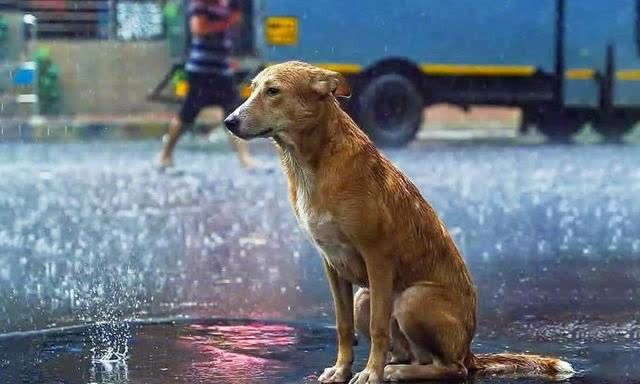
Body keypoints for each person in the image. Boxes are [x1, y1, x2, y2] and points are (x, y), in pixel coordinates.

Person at [158, 0, 254, 168]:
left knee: (233, 112)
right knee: (187, 114)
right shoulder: (200, 4)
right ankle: (165, 154)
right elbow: (198, 29)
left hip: (221, 70)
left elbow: (227, 32)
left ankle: (244, 159)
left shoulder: (224, 5)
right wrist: (227, 23)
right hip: (201, 70)